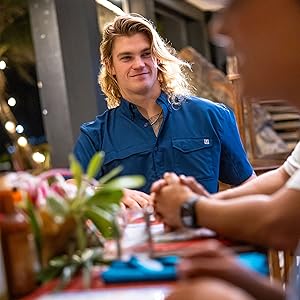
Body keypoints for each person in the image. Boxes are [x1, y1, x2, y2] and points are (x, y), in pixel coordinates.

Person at [152, 0, 300, 299]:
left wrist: (190, 208)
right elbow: (283, 177)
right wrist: (244, 279)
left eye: (237, 4)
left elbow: (279, 222)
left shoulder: (211, 114)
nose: (218, 27)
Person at [73, 13, 254, 209]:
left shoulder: (213, 116)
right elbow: (71, 190)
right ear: (110, 66)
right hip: (136, 238)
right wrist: (107, 193)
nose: (139, 64)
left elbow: (248, 185)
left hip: (203, 234)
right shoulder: (95, 135)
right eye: (126, 57)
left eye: (146, 54)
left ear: (157, 58)